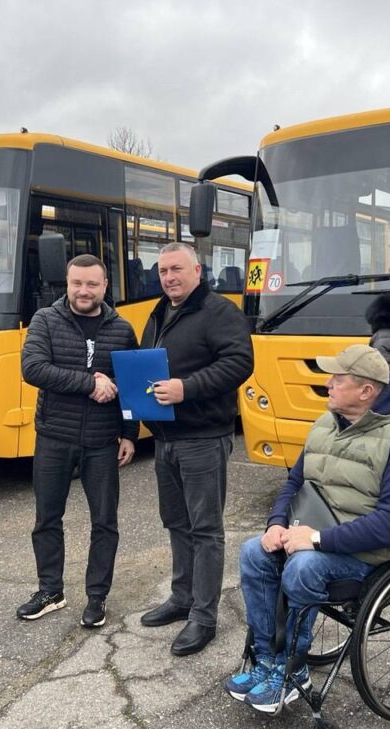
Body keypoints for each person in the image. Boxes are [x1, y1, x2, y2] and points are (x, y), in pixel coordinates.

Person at [227, 345, 390, 712]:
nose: (327, 385)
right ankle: (269, 660)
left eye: (337, 380)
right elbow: (294, 483)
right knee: (254, 552)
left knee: (304, 566)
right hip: (321, 530)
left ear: (366, 391)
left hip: (377, 549)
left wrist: (315, 539)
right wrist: (277, 524)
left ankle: (295, 671)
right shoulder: (327, 422)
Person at [138, 242, 253, 656]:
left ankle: (204, 616)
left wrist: (186, 388)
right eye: (163, 270)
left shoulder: (219, 312)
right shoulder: (159, 311)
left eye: (177, 269)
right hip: (165, 438)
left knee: (205, 529)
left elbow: (239, 363)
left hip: (203, 437)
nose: (169, 277)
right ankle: (181, 597)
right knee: (176, 522)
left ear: (197, 271)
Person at [16, 254, 139, 628]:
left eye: (92, 284)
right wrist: (91, 384)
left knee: (105, 522)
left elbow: (132, 388)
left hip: (103, 441)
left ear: (105, 287)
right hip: (54, 437)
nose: (83, 291)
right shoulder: (45, 320)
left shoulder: (122, 329)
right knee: (47, 519)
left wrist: (130, 434)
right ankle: (50, 590)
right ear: (66, 284)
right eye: (77, 283)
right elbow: (33, 368)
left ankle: (97, 597)